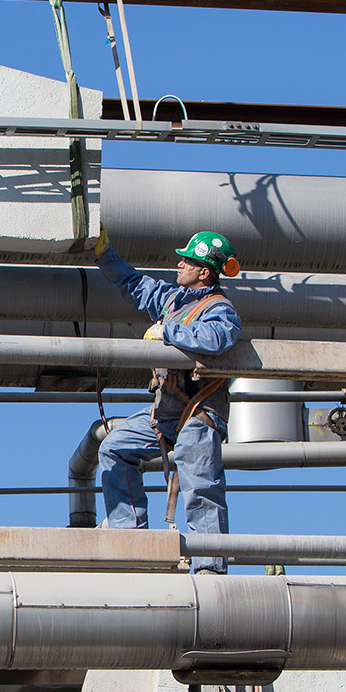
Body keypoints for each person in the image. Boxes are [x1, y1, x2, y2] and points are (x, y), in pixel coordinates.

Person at [93, 228, 243, 573]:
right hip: (166, 412)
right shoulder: (175, 300)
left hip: (198, 414)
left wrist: (168, 332)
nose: (179, 263)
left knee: (200, 485)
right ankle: (133, 545)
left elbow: (217, 337)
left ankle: (209, 571)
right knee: (114, 448)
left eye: (187, 260)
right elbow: (135, 284)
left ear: (204, 272)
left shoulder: (219, 309)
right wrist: (104, 254)